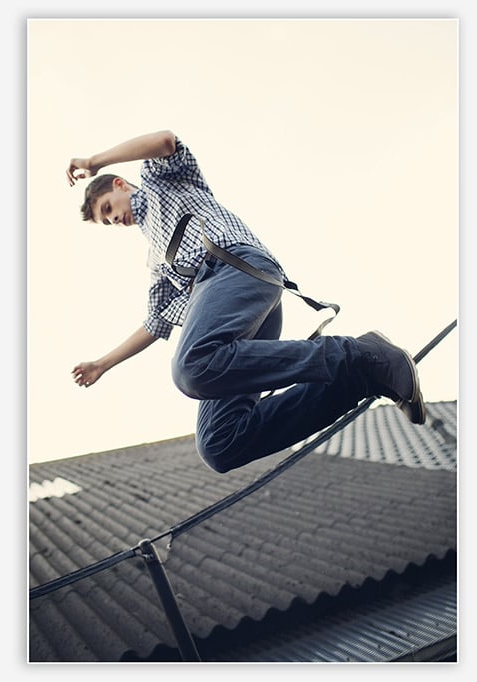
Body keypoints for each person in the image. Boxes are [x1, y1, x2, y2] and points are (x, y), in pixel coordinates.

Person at [66, 129, 425, 474]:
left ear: (120, 185)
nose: (115, 219)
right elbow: (155, 323)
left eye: (109, 208)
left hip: (238, 268)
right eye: (108, 222)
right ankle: (361, 379)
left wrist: (96, 160)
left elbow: (164, 141)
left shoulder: (162, 181)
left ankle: (360, 354)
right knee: (219, 444)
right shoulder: (158, 263)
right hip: (233, 313)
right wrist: (101, 365)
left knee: (191, 366)